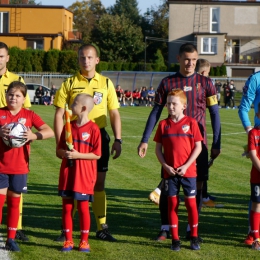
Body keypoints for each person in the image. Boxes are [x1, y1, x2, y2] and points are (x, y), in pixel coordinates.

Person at [138, 43, 221, 242]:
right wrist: (145, 139)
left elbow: (215, 113)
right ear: (178, 59)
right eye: (186, 59)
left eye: (194, 60)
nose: (190, 63)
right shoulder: (168, 83)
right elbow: (156, 111)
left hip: (197, 146)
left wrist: (217, 142)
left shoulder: (206, 83)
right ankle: (165, 228)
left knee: (197, 187)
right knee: (168, 185)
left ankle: (191, 230)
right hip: (172, 144)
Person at [53, 44, 122, 243]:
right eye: (82, 57)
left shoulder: (106, 83)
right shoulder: (69, 83)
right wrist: (61, 143)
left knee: (98, 184)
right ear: (78, 60)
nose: (86, 61)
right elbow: (59, 113)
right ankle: (66, 230)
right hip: (73, 137)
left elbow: (114, 112)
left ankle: (102, 227)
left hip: (97, 135)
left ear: (97, 60)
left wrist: (118, 139)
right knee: (73, 182)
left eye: (90, 57)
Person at [0, 81, 54, 252]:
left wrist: (33, 135)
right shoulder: (0, 113)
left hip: (19, 167)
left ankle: (10, 238)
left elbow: (49, 131)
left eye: (17, 96)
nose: (13, 98)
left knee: (15, 203)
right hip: (0, 166)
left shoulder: (29, 115)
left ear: (24, 98)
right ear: (5, 95)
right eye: (10, 94)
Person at [154, 89, 203, 251]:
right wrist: (165, 166)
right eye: (168, 103)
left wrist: (187, 165)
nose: (170, 106)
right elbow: (158, 150)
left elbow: (198, 147)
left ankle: (194, 237)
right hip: (170, 173)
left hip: (188, 173)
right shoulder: (163, 125)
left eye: (174, 103)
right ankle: (175, 239)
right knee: (172, 205)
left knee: (191, 205)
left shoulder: (191, 123)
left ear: (184, 106)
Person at [57, 94, 101, 252]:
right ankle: (68, 240)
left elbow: (97, 154)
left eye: (74, 103)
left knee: (83, 208)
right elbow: (58, 150)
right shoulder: (68, 126)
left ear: (83, 108)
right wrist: (65, 153)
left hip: (84, 175)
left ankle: (84, 241)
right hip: (68, 173)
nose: (71, 105)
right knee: (67, 207)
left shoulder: (94, 129)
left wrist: (77, 155)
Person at [0, 41, 31, 242]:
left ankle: (15, 228)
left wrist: (24, 134)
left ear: (7, 57)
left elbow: (26, 113)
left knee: (15, 193)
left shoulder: (15, 80)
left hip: (12, 142)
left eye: (1, 56)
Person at [238, 71, 260, 246]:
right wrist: (250, 132)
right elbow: (244, 107)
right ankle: (252, 233)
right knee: (257, 193)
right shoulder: (256, 79)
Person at [247, 102, 260, 250]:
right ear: (258, 115)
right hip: (257, 176)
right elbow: (252, 153)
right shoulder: (254, 133)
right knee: (257, 205)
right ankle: (256, 237)